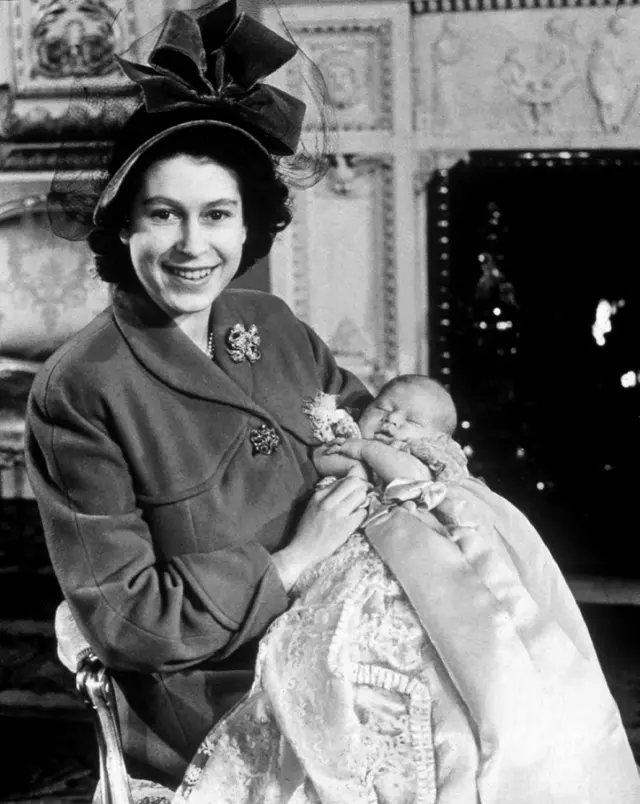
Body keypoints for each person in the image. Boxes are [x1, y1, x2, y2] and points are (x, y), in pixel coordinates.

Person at [24, 0, 372, 790]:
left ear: (250, 227)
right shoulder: (79, 388)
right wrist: (291, 563)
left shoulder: (275, 324)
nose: (192, 245)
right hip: (213, 718)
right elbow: (127, 617)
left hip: (342, 670)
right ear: (122, 229)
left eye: (216, 215)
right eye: (163, 215)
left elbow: (364, 426)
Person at [172, 375, 640, 803]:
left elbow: (410, 479)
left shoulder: (433, 461)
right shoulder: (348, 443)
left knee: (451, 646)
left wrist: (368, 451)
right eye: (383, 407)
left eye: (411, 420)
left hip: (420, 550)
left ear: (438, 437)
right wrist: (354, 455)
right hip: (354, 550)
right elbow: (325, 460)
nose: (393, 421)